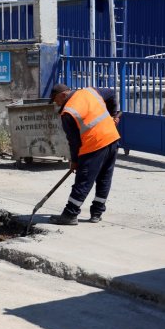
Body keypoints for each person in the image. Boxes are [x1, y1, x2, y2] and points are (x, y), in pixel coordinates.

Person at [48, 83, 122, 225]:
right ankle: (97, 213)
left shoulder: (68, 113)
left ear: (63, 95)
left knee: (83, 180)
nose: (56, 103)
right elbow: (112, 93)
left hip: (94, 144)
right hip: (112, 138)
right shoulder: (90, 91)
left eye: (56, 99)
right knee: (104, 178)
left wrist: (75, 161)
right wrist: (113, 115)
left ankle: (70, 214)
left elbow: (74, 142)